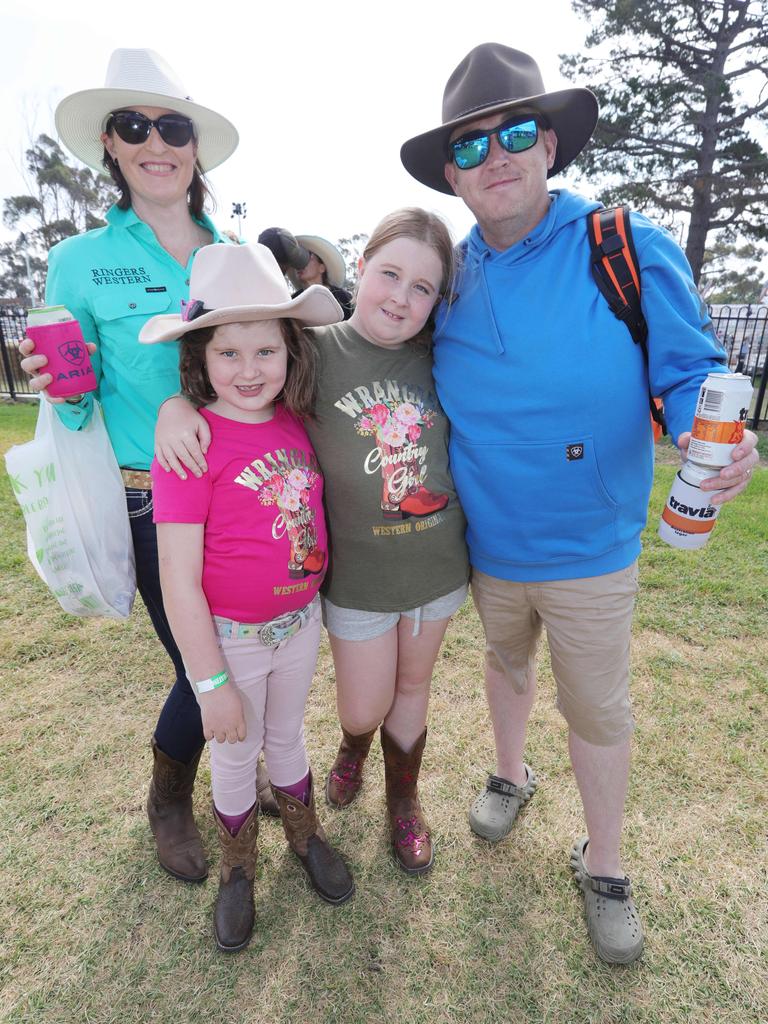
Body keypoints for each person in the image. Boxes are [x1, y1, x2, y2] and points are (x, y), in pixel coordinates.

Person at [399, 43, 759, 963]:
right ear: (452, 174)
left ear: (549, 144)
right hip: (487, 547)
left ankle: (605, 864)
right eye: (473, 146)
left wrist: (716, 442)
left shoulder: (624, 243)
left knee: (597, 711)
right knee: (505, 668)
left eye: (517, 132)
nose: (498, 156)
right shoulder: (446, 276)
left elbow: (689, 373)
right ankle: (509, 776)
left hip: (593, 549)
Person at [154, 208, 470, 875]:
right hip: (356, 580)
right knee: (365, 704)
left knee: (414, 688)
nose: (402, 296)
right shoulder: (314, 354)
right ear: (362, 267)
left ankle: (403, 804)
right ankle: (355, 744)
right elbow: (237, 376)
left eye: (423, 287)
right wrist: (173, 407)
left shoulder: (445, 355)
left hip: (437, 567)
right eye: (390, 273)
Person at [19, 48, 239, 885]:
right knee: (198, 660)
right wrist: (59, 392)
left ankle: (234, 763)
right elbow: (74, 395)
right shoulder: (79, 260)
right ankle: (168, 798)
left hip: (240, 495)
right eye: (135, 127)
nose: (157, 143)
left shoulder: (232, 252)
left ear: (195, 147)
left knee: (243, 646)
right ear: (111, 145)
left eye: (172, 127)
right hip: (151, 501)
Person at [139, 242, 354, 952]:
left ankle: (303, 834)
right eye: (227, 354)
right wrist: (210, 683)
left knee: (286, 737)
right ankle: (238, 870)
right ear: (198, 361)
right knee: (236, 753)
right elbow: (177, 580)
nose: (249, 370)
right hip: (232, 634)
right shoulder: (189, 444)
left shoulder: (296, 423)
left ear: (291, 352)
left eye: (265, 351)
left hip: (300, 623)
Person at [288, 235, 354, 320]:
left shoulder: (343, 298)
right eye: (298, 260)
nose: (300, 264)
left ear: (322, 268)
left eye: (307, 258)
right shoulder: (293, 301)